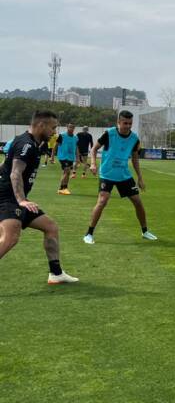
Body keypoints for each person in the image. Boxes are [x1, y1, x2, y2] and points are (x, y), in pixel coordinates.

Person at [0, 110, 79, 284]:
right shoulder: (25, 144)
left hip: (15, 199)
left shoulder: (34, 144)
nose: (54, 132)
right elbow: (15, 173)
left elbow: (5, 166)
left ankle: (56, 274)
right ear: (41, 125)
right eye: (53, 127)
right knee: (11, 237)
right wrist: (21, 200)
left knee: (50, 227)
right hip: (8, 199)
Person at [83, 110, 157, 244]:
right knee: (102, 201)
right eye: (125, 123)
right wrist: (93, 164)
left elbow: (135, 159)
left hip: (124, 175)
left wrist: (140, 177)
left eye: (130, 123)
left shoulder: (134, 139)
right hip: (107, 174)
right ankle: (89, 234)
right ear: (118, 122)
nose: (128, 126)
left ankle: (145, 231)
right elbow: (93, 149)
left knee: (138, 201)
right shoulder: (109, 134)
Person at [53, 123, 77, 195]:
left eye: (72, 127)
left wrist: (78, 157)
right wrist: (52, 156)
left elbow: (76, 148)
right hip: (63, 157)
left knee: (67, 172)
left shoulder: (75, 138)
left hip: (71, 157)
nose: (71, 129)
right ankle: (61, 188)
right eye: (70, 127)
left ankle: (65, 188)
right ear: (67, 127)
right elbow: (55, 145)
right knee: (67, 171)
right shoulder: (62, 136)